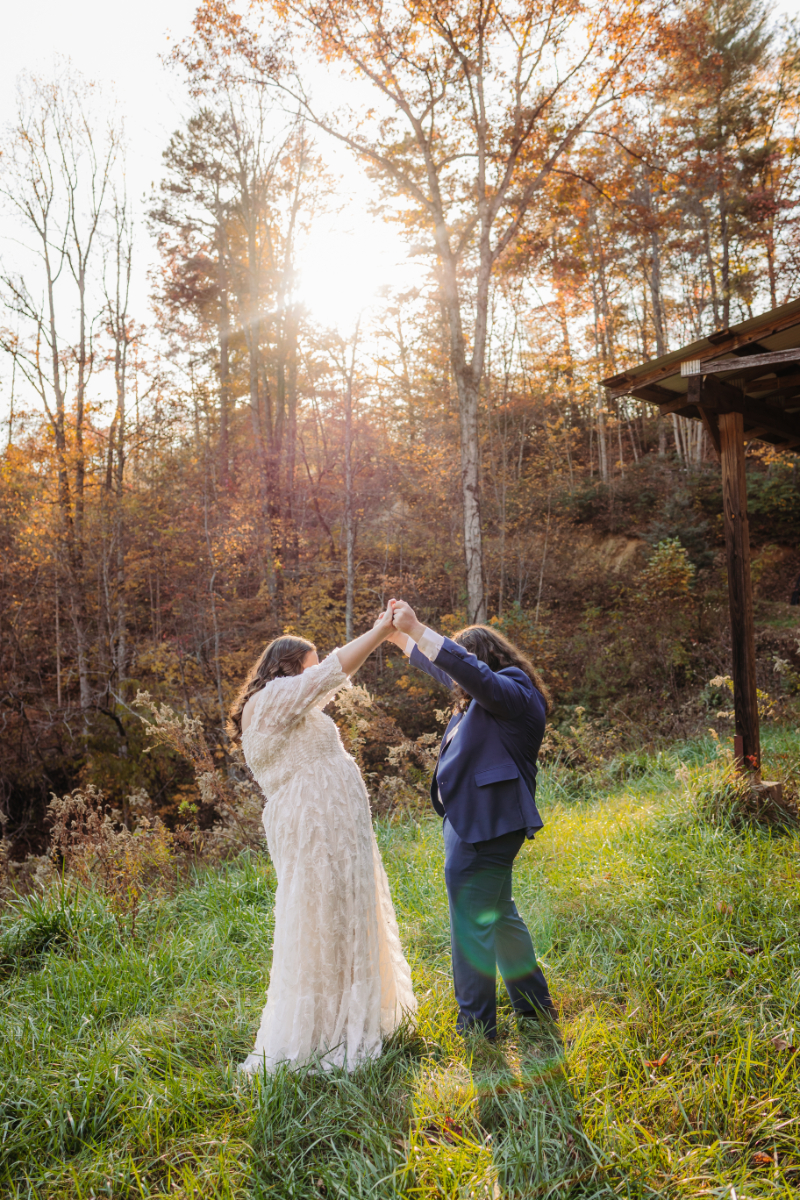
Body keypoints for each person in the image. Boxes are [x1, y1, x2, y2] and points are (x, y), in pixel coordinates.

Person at [230, 606, 416, 1074]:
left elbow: (333, 677)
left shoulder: (289, 704)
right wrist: (380, 631)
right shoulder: (272, 698)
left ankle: (358, 1015)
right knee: (321, 914)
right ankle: (323, 1031)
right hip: (314, 824)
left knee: (342, 911)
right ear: (287, 667)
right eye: (308, 668)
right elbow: (336, 670)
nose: (315, 679)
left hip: (331, 824)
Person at [385, 600, 555, 1039]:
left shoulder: (513, 690)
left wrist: (420, 627)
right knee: (498, 914)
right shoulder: (487, 698)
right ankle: (535, 1010)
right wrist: (400, 638)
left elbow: (469, 673)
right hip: (474, 823)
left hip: (487, 825)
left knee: (470, 924)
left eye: (467, 664)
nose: (456, 681)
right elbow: (451, 671)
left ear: (483, 659)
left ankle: (477, 1026)